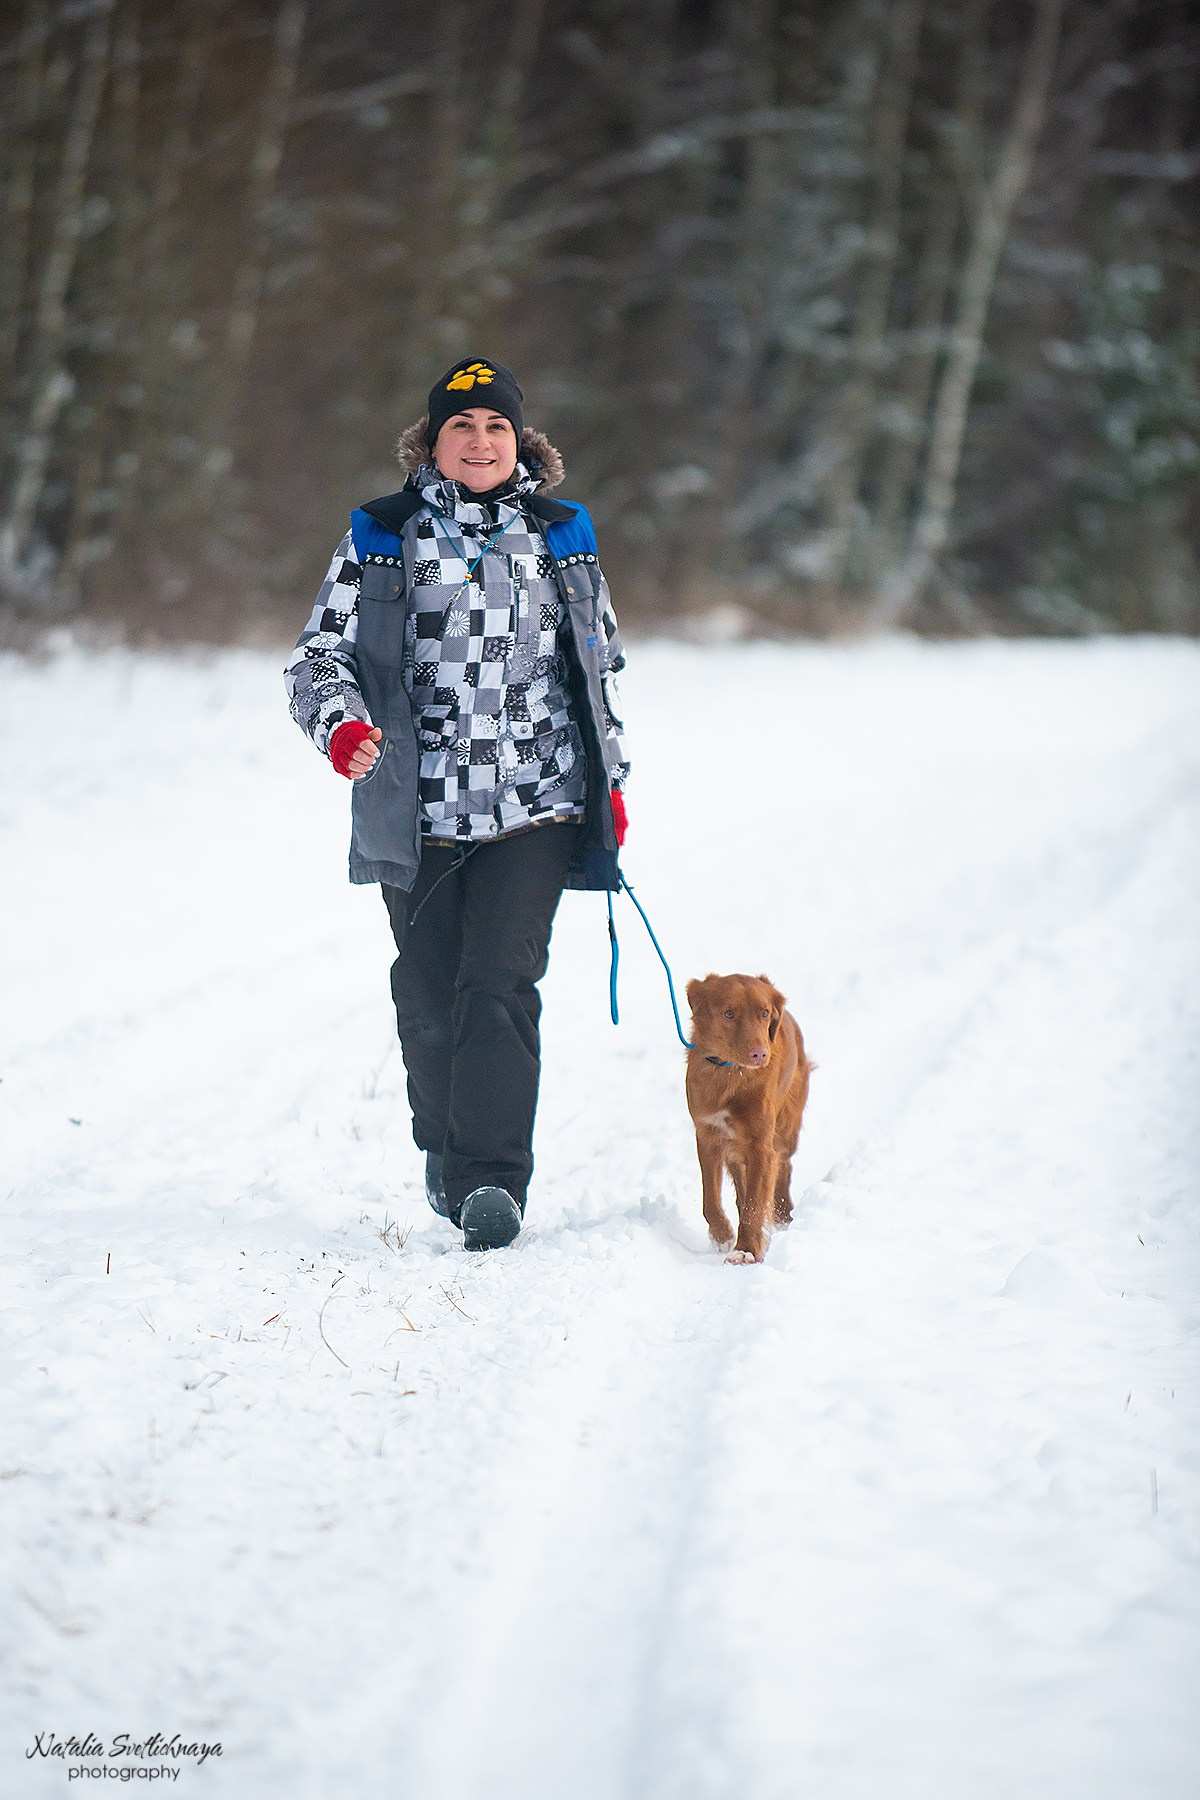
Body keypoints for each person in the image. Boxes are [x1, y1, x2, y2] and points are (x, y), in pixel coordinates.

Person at [285, 358, 630, 1250]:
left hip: (536, 805)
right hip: (417, 806)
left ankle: (491, 1183)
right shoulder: (382, 533)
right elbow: (318, 661)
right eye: (462, 427)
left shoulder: (564, 533)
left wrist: (611, 786)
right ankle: (443, 1145)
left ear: (522, 443)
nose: (480, 442)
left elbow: (598, 669)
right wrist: (341, 730)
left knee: (500, 987)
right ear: (432, 442)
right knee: (429, 992)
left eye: (496, 428)